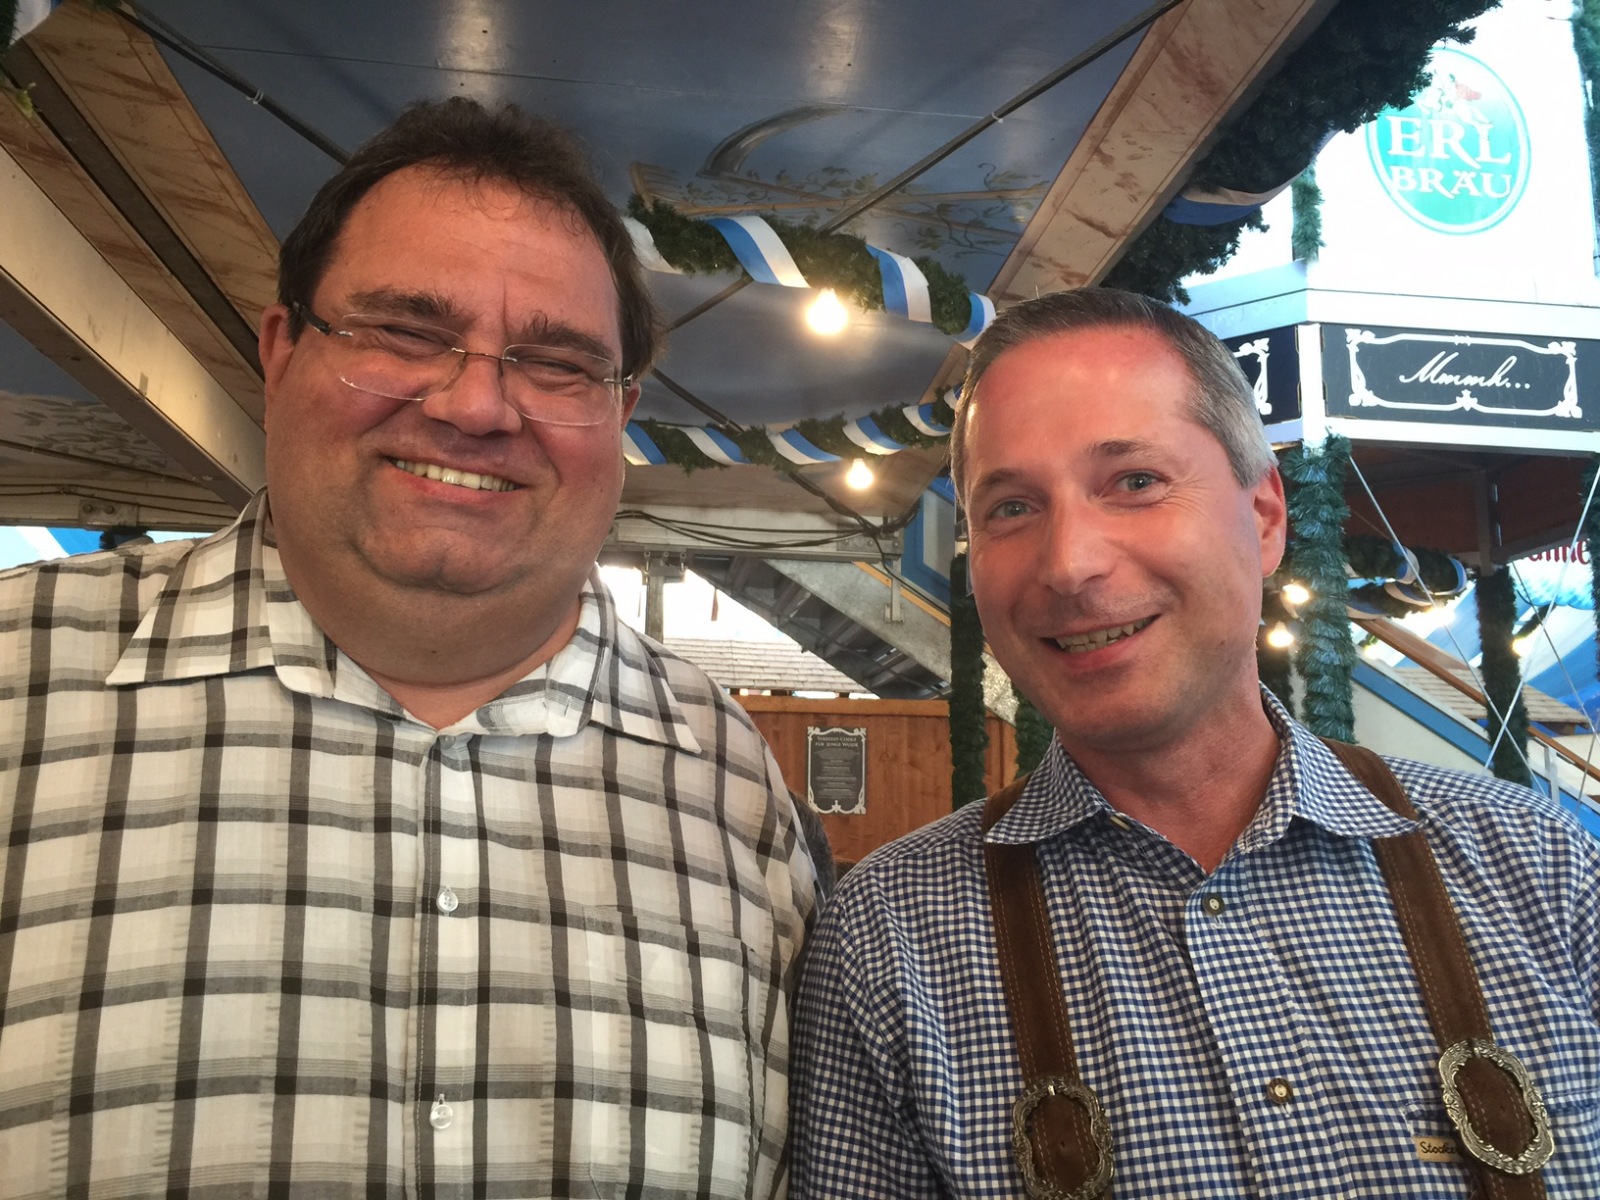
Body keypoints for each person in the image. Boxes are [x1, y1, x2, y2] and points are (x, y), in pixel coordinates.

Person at [0, 98, 815, 1198]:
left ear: (620, 412)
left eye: (556, 363)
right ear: (281, 351)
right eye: (404, 333)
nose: (477, 405)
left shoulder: (732, 787)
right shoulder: (16, 680)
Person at [790, 288, 1600, 1197]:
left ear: (1265, 518)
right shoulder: (889, 939)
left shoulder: (1542, 869)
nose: (1070, 564)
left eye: (1134, 482)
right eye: (1012, 508)